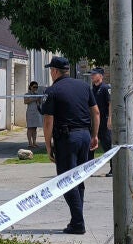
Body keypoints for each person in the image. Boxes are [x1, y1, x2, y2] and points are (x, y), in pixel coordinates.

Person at [41, 57, 99, 234]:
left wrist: (48, 146)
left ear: (55, 71)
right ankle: (76, 220)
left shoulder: (52, 91)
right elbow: (96, 112)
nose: (50, 73)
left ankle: (78, 223)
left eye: (51, 70)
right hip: (84, 136)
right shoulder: (84, 86)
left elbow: (48, 121)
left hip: (67, 139)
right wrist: (95, 135)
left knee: (66, 180)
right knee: (78, 179)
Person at [90, 67, 112, 176]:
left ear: (101, 76)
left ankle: (114, 168)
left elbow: (110, 103)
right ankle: (89, 169)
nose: (92, 76)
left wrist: (110, 119)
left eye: (94, 74)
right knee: (90, 146)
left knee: (107, 145)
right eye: (92, 74)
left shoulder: (105, 88)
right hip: (94, 121)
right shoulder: (92, 89)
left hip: (104, 120)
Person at [23, 80, 44, 149]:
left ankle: (34, 142)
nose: (35, 88)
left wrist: (39, 99)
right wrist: (34, 99)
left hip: (36, 112)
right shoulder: (27, 94)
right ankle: (30, 143)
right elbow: (25, 101)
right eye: (34, 87)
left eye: (36, 87)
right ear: (30, 87)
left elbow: (39, 103)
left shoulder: (37, 94)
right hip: (30, 112)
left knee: (35, 128)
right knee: (30, 128)